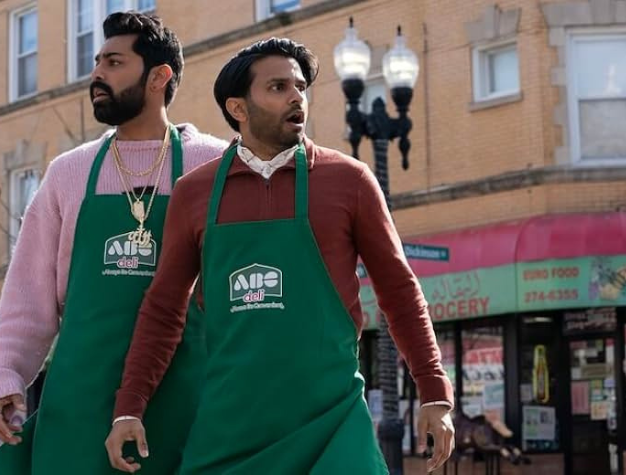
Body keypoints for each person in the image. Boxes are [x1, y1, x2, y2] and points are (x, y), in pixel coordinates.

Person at [105, 38, 455, 474]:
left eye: (300, 86)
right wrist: (129, 408)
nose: (296, 97)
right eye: (277, 87)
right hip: (230, 432)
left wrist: (434, 392)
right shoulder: (193, 194)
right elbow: (162, 310)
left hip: (333, 427)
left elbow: (399, 292)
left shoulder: (350, 181)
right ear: (238, 108)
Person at [0, 12, 227, 474]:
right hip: (79, 412)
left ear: (159, 77)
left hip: (188, 407)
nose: (97, 75)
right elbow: (27, 298)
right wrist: (5, 376)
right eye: (97, 62)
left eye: (114, 62)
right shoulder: (68, 173)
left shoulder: (214, 165)